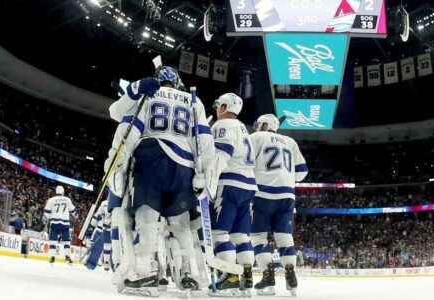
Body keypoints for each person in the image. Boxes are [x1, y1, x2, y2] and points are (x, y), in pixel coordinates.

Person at [105, 66, 214, 296]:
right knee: (182, 224)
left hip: (151, 158)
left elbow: (125, 124)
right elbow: (204, 141)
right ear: (178, 82)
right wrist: (203, 173)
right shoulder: (193, 100)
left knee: (147, 219)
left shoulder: (149, 93)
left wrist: (118, 160)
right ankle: (189, 273)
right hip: (184, 166)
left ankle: (145, 273)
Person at [249, 114, 308, 296]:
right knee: (284, 236)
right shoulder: (290, 141)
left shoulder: (256, 137)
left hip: (262, 193)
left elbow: (243, 161)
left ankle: (268, 278)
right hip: (287, 195)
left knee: (258, 237)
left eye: (258, 124)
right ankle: (291, 276)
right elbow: (302, 172)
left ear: (264, 124)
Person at [207, 93, 257, 296]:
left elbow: (222, 154)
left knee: (219, 234)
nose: (216, 109)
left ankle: (230, 277)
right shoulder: (244, 129)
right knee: (240, 236)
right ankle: (246, 277)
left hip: (228, 183)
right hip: (248, 186)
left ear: (225, 106)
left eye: (218, 105)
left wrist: (208, 181)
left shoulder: (222, 125)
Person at [43, 185, 76, 264]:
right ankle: (67, 256)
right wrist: (76, 216)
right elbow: (73, 211)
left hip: (54, 222)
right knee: (66, 241)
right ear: (63, 192)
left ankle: (52, 256)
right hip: (65, 223)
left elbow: (46, 214)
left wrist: (44, 222)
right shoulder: (67, 199)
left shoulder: (51, 200)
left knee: (53, 240)